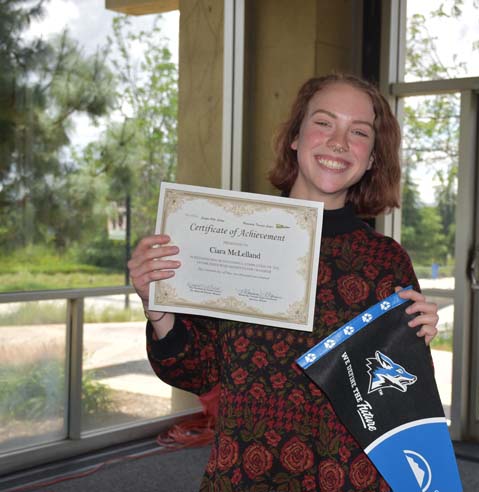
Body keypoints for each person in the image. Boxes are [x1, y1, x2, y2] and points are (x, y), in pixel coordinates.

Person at [128, 73, 440, 491]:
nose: (338, 142)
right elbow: (197, 373)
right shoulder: (229, 235)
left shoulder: (385, 261)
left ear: (371, 159)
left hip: (352, 480)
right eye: (324, 122)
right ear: (295, 137)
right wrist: (160, 309)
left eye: (359, 132)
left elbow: (394, 399)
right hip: (247, 475)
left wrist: (413, 341)